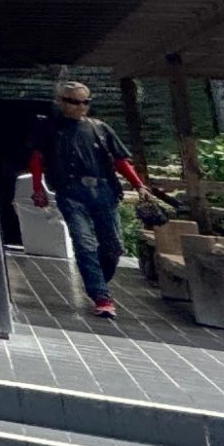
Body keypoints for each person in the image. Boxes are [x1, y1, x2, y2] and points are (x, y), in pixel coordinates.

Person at [29, 81, 165, 319]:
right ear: (61, 102)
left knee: (113, 246)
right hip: (70, 190)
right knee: (85, 243)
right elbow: (37, 158)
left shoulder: (100, 128)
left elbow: (119, 160)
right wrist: (37, 188)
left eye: (85, 102)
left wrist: (139, 186)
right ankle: (101, 294)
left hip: (104, 189)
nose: (81, 107)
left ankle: (97, 279)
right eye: (74, 101)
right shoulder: (49, 128)